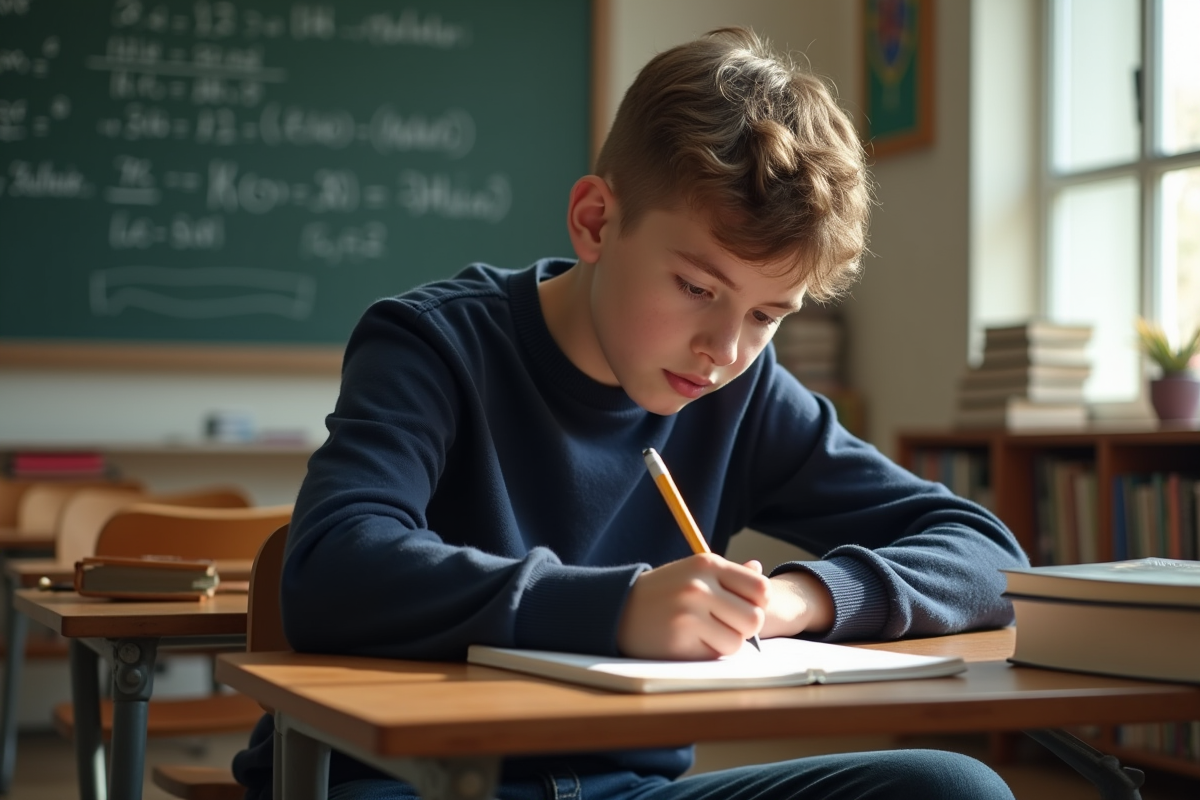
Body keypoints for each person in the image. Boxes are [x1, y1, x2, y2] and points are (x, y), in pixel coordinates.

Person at [233, 26, 1026, 800]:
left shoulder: (742, 393)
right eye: (696, 288)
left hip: (622, 789)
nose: (724, 349)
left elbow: (990, 555)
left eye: (767, 314)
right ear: (595, 222)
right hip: (409, 780)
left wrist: (797, 600)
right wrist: (616, 610)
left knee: (953, 785)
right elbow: (332, 568)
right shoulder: (433, 345)